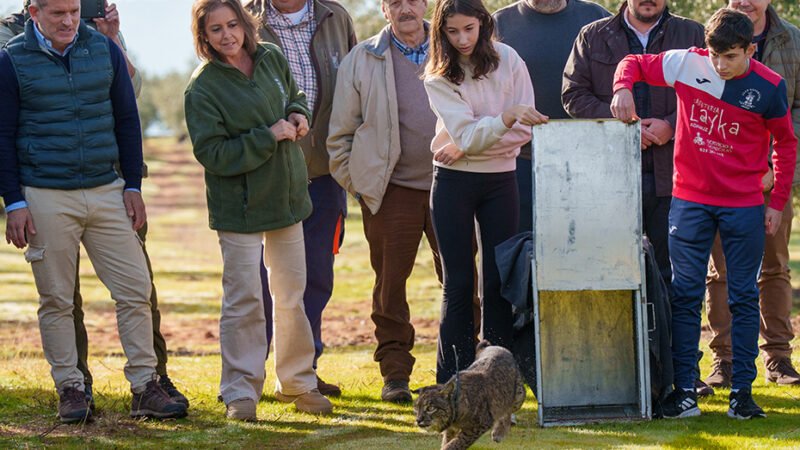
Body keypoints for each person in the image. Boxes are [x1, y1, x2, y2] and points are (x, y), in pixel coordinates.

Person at [0, 0, 187, 423]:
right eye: (57, 14)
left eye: (73, 11)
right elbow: (3, 134)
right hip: (45, 193)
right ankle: (71, 389)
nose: (69, 21)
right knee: (56, 299)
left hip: (107, 189)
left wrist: (133, 185)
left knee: (135, 289)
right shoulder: (12, 60)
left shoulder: (104, 50)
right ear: (34, 13)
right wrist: (14, 201)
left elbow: (127, 119)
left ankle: (145, 386)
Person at [612, 7, 798, 419]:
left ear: (750, 50)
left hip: (744, 205)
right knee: (685, 294)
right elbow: (633, 62)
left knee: (743, 296)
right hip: (690, 201)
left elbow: (786, 145)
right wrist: (623, 88)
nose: (720, 66)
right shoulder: (687, 63)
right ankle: (684, 393)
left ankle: (742, 395)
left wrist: (777, 202)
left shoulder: (769, 86)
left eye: (730, 57)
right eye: (715, 56)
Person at [185, 0, 333, 420]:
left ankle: (298, 382)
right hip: (240, 207)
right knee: (244, 299)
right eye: (216, 29)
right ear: (203, 36)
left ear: (245, 24)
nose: (227, 35)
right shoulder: (202, 88)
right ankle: (240, 391)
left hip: (287, 197)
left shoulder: (270, 57)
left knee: (291, 294)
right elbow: (213, 154)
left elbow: (295, 95)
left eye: (233, 24)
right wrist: (268, 136)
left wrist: (297, 115)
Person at [423, 0, 547, 384]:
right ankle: (453, 380)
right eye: (452, 31)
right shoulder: (436, 77)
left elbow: (524, 129)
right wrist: (501, 121)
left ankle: (497, 380)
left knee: (498, 282)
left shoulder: (509, 59)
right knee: (459, 283)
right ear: (441, 32)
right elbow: (485, 130)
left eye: (469, 29)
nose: (462, 39)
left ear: (483, 23)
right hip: (452, 183)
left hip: (501, 180)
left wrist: (470, 143)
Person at [328, 0, 442, 403]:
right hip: (392, 190)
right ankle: (395, 374)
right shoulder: (362, 59)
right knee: (390, 285)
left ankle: (460, 369)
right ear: (383, 8)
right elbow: (340, 135)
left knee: (462, 280)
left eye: (412, 0)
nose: (405, 8)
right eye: (395, 2)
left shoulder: (452, 45)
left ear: (425, 3)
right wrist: (360, 186)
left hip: (453, 184)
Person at [244, 0, 356, 398]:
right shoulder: (244, 19)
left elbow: (354, 90)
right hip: (268, 171)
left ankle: (304, 371)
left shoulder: (336, 17)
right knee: (261, 279)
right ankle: (249, 374)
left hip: (325, 172)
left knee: (317, 275)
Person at [563, 0, 704, 289]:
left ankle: (670, 323)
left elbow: (712, 93)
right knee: (615, 275)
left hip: (676, 179)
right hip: (613, 180)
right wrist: (622, 126)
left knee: (674, 276)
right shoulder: (592, 36)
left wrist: (673, 125)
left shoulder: (693, 34)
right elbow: (573, 95)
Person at [700, 0, 800, 392]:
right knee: (720, 271)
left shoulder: (792, 41)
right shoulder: (710, 39)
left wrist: (776, 168)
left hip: (773, 181)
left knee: (774, 267)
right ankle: (723, 360)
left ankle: (778, 357)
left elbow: (797, 112)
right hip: (720, 181)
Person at [494, 0, 610, 232]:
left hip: (587, 160)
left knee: (585, 241)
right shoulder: (499, 24)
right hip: (519, 160)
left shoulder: (597, 17)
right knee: (520, 243)